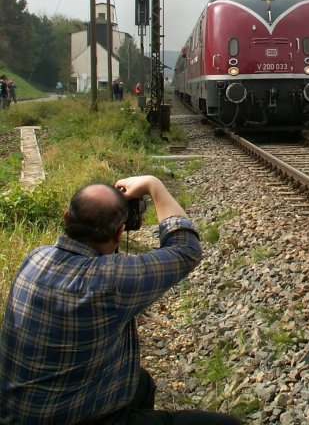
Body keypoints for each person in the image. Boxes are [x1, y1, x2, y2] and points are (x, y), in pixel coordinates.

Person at [0, 175, 243, 425]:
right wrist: (153, 185)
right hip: (73, 418)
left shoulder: (35, 257)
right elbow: (186, 249)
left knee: (141, 383)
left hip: (16, 410)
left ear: (66, 218)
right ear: (119, 233)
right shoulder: (110, 281)